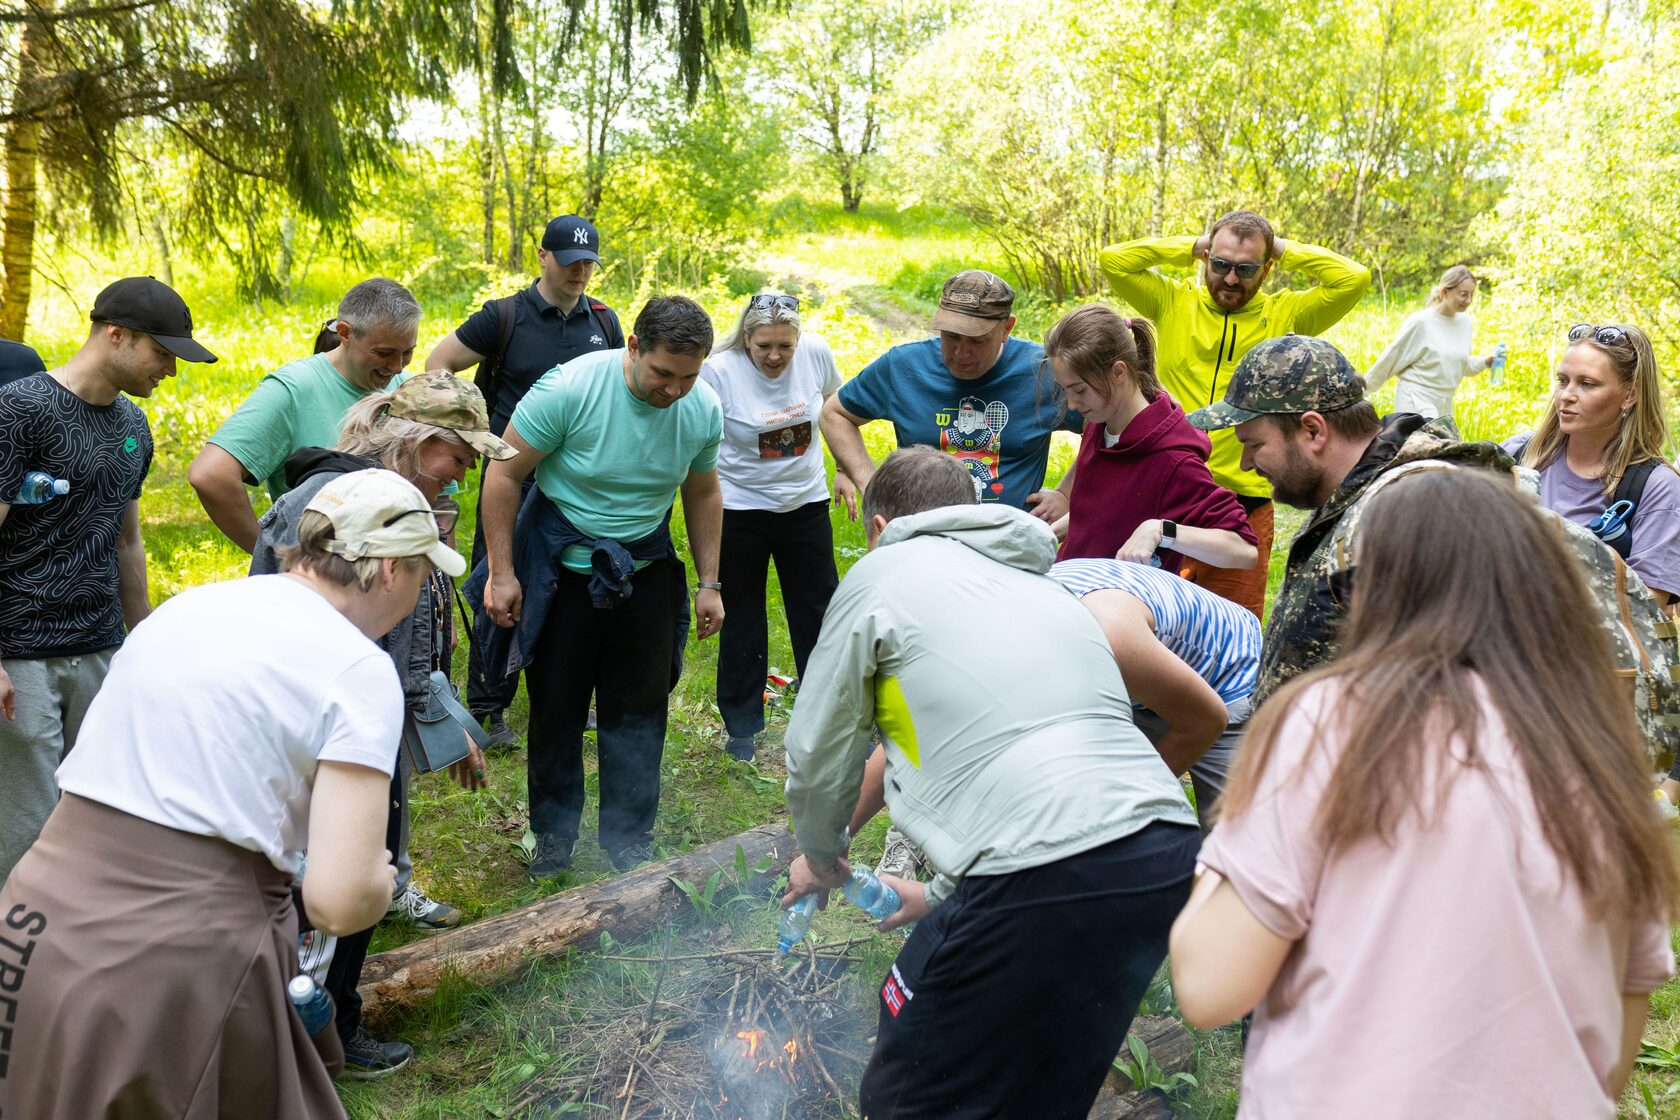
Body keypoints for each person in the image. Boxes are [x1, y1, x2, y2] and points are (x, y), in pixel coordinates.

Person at [1169, 469, 1677, 1120]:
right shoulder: (1600, 750)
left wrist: (1233, 836)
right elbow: (1613, 1056)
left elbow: (1212, 984)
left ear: (1382, 595)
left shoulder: (1333, 717)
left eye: (1352, 586)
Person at [0, 468, 463, 1120]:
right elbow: (337, 901)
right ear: (389, 570)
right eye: (422, 572)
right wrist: (377, 881)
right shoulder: (357, 668)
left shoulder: (191, 605)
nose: (419, 593)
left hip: (36, 923)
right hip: (175, 963)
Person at [782, 446, 1200, 1120]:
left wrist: (821, 850)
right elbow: (1010, 763)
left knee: (906, 1091)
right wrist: (941, 896)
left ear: (881, 527)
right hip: (1162, 857)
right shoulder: (1042, 588)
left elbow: (817, 746)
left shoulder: (886, 569)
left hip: (1042, 868)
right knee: (1043, 1086)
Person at [250, 373, 509, 1077]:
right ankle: (313, 1035)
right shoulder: (325, 502)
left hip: (375, 719)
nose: (464, 472)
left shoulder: (407, 503)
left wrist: (441, 721)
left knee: (374, 860)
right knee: (325, 879)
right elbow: (270, 612)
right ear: (422, 443)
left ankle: (328, 1018)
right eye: (459, 455)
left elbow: (416, 637)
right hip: (323, 727)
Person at [472, 295, 724, 878]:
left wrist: (710, 581)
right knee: (557, 706)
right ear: (632, 347)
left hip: (645, 565)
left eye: (689, 376)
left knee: (639, 710)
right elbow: (505, 473)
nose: (674, 391)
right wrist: (505, 572)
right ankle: (553, 837)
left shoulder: (701, 407)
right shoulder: (568, 390)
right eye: (663, 373)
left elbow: (703, 491)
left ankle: (628, 838)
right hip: (561, 567)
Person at [0, 276, 218, 887]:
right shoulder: (19, 410)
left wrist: (141, 639)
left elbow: (127, 541)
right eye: (163, 353)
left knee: (95, 815)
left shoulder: (133, 428)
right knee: (27, 827)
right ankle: (19, 966)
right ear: (115, 335)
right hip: (20, 653)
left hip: (99, 646)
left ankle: (77, 953)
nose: (171, 371)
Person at [1185, 334, 1504, 704]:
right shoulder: (1346, 499)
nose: (1245, 463)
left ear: (1313, 430)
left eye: (1254, 445)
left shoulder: (1403, 520)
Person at [1099, 210, 1371, 616]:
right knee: (1147, 616)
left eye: (1246, 268)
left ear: (1267, 268)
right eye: (1220, 264)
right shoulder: (1173, 301)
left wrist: (1282, 248)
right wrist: (1191, 247)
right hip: (1167, 489)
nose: (1229, 279)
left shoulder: (1287, 314)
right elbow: (1113, 259)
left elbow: (1354, 278)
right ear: (1206, 256)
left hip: (1245, 500)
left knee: (1232, 623)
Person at [426, 215, 626, 747]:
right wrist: (462, 427)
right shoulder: (504, 316)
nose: (580, 272)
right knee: (501, 586)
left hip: (580, 482)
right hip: (511, 477)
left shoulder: (604, 323)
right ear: (542, 257)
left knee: (574, 593)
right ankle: (489, 709)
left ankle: (568, 699)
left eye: (589, 263)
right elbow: (441, 359)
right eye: (570, 261)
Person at [699, 293, 852, 762]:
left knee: (819, 614)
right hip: (740, 510)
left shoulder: (816, 355)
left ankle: (827, 719)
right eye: (764, 345)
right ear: (747, 337)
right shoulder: (719, 370)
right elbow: (699, 437)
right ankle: (742, 728)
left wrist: (845, 468)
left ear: (798, 339)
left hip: (805, 504)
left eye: (784, 346)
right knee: (742, 616)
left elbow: (836, 407)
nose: (774, 357)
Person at [820, 269, 1080, 516]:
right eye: (951, 336)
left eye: (977, 340)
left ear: (1006, 328)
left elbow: (1105, 427)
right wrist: (872, 488)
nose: (961, 352)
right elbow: (835, 414)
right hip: (921, 538)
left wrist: (1066, 494)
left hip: (1007, 542)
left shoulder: (1043, 371)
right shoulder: (903, 367)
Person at [189, 277, 421, 552]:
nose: (396, 366)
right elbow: (210, 474)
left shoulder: (409, 390)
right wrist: (270, 553)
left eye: (407, 352)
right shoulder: (294, 389)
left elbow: (439, 502)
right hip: (325, 581)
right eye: (384, 353)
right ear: (345, 333)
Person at [1040, 304, 1257, 576]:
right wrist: (1045, 534)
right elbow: (1102, 511)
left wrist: (1160, 531)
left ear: (1118, 372)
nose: (1072, 404)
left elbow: (1244, 549)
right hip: (1071, 594)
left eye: (1079, 390)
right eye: (1065, 390)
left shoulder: (1174, 460)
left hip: (1121, 611)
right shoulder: (1100, 423)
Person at [1050, 557, 1260, 831]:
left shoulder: (1108, 633)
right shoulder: (1006, 607)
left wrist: (1129, 805)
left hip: (1226, 674)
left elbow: (1206, 720)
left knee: (1234, 837)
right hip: (1145, 673)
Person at [1503, 323, 1679, 607]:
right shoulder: (1517, 453)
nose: (1567, 395)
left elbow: (1647, 607)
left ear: (1630, 395)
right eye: (1563, 380)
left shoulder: (1655, 487)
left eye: (1587, 384)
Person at [1364, 265, 1499, 418]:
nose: (1469, 300)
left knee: (1447, 442)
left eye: (1471, 294)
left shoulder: (1465, 323)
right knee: (1422, 442)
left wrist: (1486, 362)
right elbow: (1392, 357)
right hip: (1416, 399)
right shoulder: (1421, 322)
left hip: (1444, 403)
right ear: (1445, 291)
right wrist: (1362, 391)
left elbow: (1458, 365)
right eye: (1463, 294)